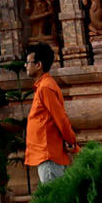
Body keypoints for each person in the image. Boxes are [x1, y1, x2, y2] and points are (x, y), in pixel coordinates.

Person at [23, 43, 77, 186]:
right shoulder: (43, 86)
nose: (25, 66)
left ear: (38, 64)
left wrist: (72, 142)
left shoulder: (46, 87)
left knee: (54, 200)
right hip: (46, 154)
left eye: (28, 62)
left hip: (49, 154)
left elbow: (61, 119)